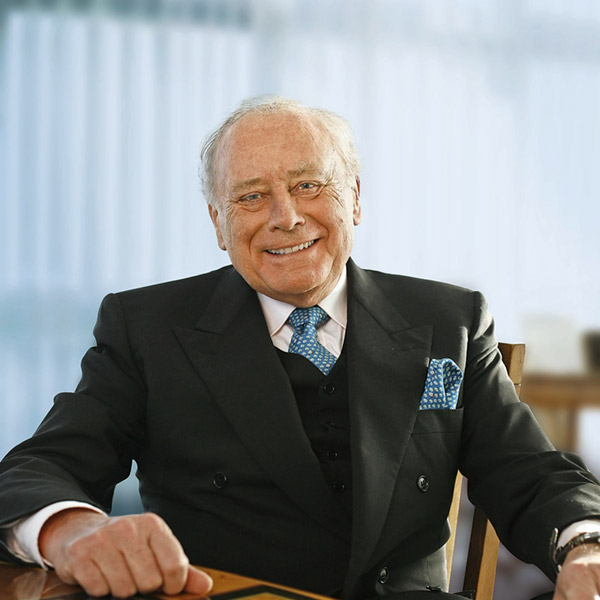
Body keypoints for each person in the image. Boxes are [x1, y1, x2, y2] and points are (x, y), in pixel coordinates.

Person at [1, 97, 600, 600]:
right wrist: (72, 529)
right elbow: (42, 466)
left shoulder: (450, 320)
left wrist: (585, 545)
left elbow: (528, 472)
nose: (284, 217)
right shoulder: (146, 328)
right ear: (217, 223)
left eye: (308, 185)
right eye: (250, 196)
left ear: (355, 198)